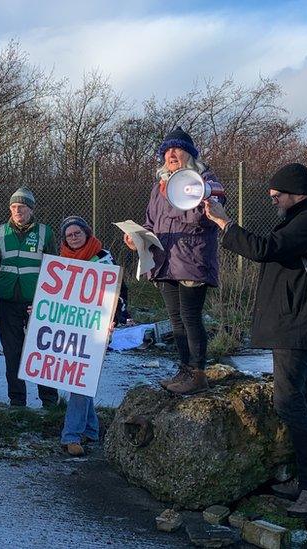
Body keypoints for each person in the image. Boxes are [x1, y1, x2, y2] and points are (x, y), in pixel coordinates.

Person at [204, 163, 307, 519]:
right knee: (301, 400)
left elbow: (264, 248)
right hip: (296, 322)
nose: (273, 199)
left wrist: (223, 222)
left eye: (278, 194)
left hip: (298, 324)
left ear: (296, 192)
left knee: (290, 401)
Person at [124, 127, 220, 395]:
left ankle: (198, 372)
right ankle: (184, 369)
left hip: (191, 259)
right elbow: (150, 221)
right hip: (164, 261)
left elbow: (201, 218)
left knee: (190, 317)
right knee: (175, 319)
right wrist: (137, 238)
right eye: (166, 151)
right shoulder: (159, 186)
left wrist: (179, 194)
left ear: (189, 154)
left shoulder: (205, 181)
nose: (171, 155)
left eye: (176, 149)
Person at [56, 216, 120, 457]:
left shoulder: (103, 258)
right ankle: (91, 430)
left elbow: (117, 292)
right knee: (82, 377)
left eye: (77, 233)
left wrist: (116, 318)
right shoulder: (60, 261)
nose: (73, 237)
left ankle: (70, 436)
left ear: (87, 233)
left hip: (97, 326)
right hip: (70, 326)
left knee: (80, 378)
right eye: (68, 234)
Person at [0, 187, 59, 408]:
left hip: (38, 302)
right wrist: (3, 284)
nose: (17, 210)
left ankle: (49, 400)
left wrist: (45, 296)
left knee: (42, 351)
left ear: (31, 209)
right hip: (8, 300)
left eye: (22, 206)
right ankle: (17, 400)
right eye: (13, 207)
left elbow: (54, 266)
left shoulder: (45, 233)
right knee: (12, 351)